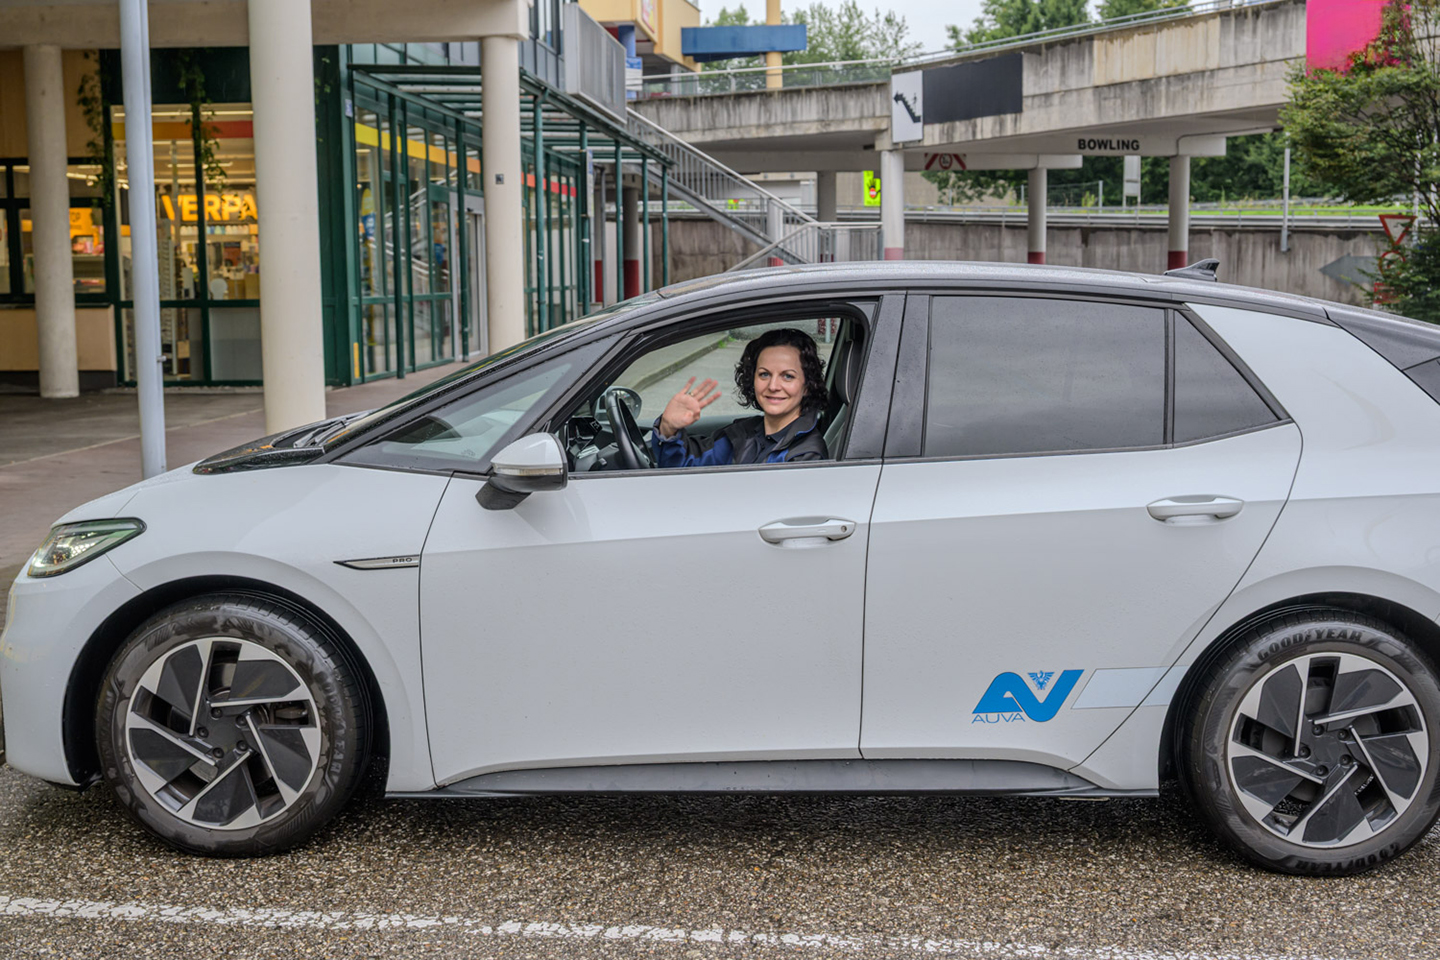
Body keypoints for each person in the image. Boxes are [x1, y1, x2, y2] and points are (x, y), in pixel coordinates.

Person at [651, 327, 829, 467]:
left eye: (787, 376)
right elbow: (682, 469)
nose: (773, 386)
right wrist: (668, 427)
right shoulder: (742, 434)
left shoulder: (807, 456)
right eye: (764, 374)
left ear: (807, 385)